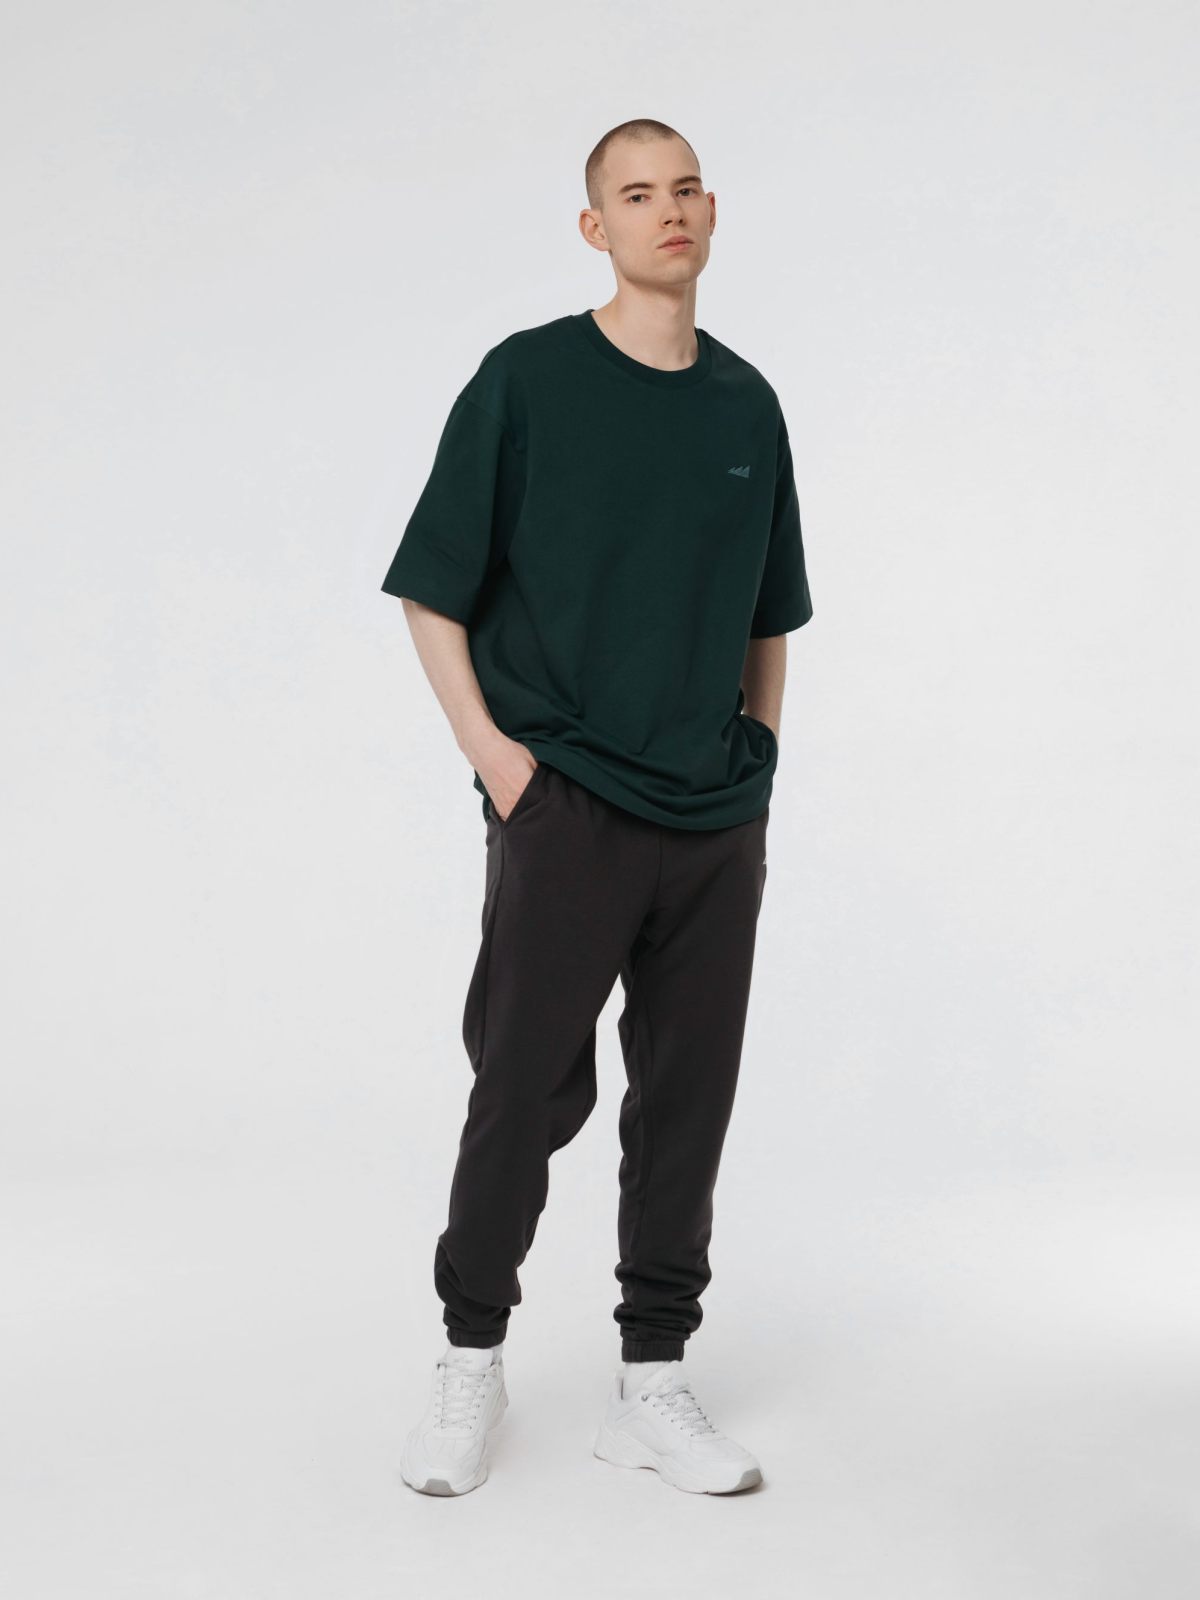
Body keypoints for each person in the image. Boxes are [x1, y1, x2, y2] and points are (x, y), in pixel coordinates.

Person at [383, 118, 813, 1497]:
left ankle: (653, 1380)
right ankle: (470, 1358)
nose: (666, 210)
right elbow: (432, 589)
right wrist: (501, 764)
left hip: (712, 819)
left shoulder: (747, 405)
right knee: (522, 1087)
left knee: (687, 1098)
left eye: (685, 189)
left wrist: (757, 761)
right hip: (564, 800)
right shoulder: (527, 380)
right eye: (636, 194)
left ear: (711, 212)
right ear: (597, 228)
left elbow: (769, 615)